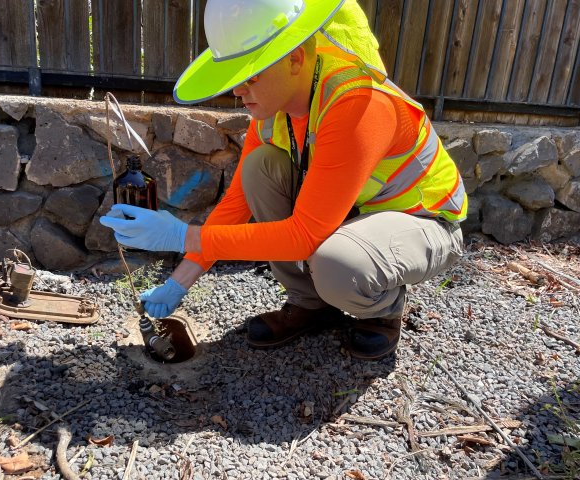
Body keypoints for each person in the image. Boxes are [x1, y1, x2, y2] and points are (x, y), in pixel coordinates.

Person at [100, 0, 467, 361]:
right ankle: (312, 305)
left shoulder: (359, 104)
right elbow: (236, 204)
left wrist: (182, 236)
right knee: (261, 167)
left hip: (423, 219)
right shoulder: (273, 114)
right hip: (353, 214)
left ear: (294, 58)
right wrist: (180, 281)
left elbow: (304, 235)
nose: (238, 89)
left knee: (339, 263)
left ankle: (382, 312)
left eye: (252, 73)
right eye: (235, 75)